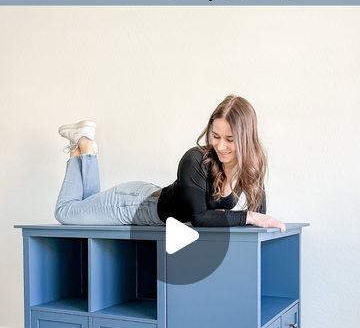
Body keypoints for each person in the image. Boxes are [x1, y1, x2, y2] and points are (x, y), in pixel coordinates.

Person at [54, 95, 286, 231]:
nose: (221, 146)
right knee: (66, 213)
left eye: (230, 140)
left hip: (148, 198)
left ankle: (84, 152)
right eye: (215, 136)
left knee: (83, 211)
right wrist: (249, 216)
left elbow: (259, 216)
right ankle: (85, 147)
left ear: (246, 138)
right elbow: (200, 218)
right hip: (133, 206)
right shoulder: (195, 159)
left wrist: (254, 217)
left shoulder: (252, 165)